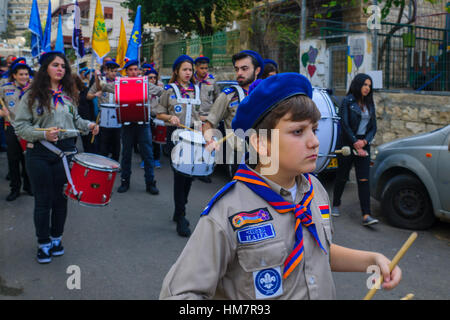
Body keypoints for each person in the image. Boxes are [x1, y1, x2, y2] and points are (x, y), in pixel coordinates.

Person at [159, 73, 401, 299]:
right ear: (261, 144)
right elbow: (181, 294)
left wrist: (371, 259)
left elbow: (314, 252)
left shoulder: (315, 191)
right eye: (298, 131)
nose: (315, 141)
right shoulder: (227, 212)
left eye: (314, 130)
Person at [14, 51, 99, 264]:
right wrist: (43, 134)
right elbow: (20, 126)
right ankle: (43, 243)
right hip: (40, 153)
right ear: (45, 69)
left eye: (63, 66)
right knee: (43, 201)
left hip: (66, 152)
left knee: (61, 200)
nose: (60, 68)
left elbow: (76, 120)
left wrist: (89, 125)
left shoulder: (69, 95)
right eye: (55, 65)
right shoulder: (31, 96)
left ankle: (56, 239)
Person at [155, 54, 202, 237]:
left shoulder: (197, 90)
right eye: (185, 69)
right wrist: (170, 117)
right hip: (175, 137)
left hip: (194, 138)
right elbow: (158, 113)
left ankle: (179, 209)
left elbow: (203, 115)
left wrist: (204, 126)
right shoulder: (169, 90)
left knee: (190, 176)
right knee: (180, 175)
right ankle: (181, 216)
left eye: (190, 69)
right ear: (177, 71)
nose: (188, 73)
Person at [101, 59, 162, 194]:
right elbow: (104, 87)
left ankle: (150, 183)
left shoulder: (145, 83)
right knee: (126, 154)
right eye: (130, 70)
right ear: (126, 71)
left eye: (136, 69)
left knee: (147, 154)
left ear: (139, 71)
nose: (134, 72)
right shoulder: (120, 83)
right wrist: (99, 78)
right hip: (127, 124)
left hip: (143, 123)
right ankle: (125, 181)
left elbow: (160, 91)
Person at [202, 50, 264, 174]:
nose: (239, 73)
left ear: (257, 70)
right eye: (237, 69)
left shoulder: (266, 93)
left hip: (267, 155)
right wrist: (210, 140)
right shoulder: (228, 95)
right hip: (240, 158)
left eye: (244, 69)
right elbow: (208, 124)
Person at [331, 73, 378, 226]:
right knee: (342, 176)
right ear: (358, 85)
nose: (367, 88)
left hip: (364, 143)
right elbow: (344, 124)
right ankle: (336, 204)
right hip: (348, 143)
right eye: (365, 85)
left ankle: (366, 215)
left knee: (364, 179)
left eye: (369, 86)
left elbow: (373, 127)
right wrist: (355, 142)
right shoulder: (347, 101)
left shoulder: (370, 104)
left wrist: (364, 141)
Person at [0, 58, 32, 201]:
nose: (24, 77)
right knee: (13, 159)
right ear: (14, 75)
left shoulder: (33, 89)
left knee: (28, 159)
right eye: (21, 74)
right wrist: (1, 112)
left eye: (26, 74)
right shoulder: (5, 88)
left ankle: (28, 186)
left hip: (28, 129)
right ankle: (15, 189)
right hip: (11, 128)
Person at [88, 60, 121, 161]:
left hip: (117, 115)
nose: (114, 74)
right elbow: (88, 96)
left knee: (117, 142)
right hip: (103, 116)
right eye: (112, 71)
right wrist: (95, 95)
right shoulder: (100, 82)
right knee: (103, 142)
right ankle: (103, 163)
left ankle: (115, 163)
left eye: (116, 71)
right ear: (106, 71)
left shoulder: (120, 82)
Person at [147, 66, 163, 168]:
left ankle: (156, 159)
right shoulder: (144, 89)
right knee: (147, 140)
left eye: (154, 77)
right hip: (147, 117)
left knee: (157, 141)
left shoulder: (160, 90)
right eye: (150, 78)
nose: (153, 79)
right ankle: (147, 160)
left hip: (157, 117)